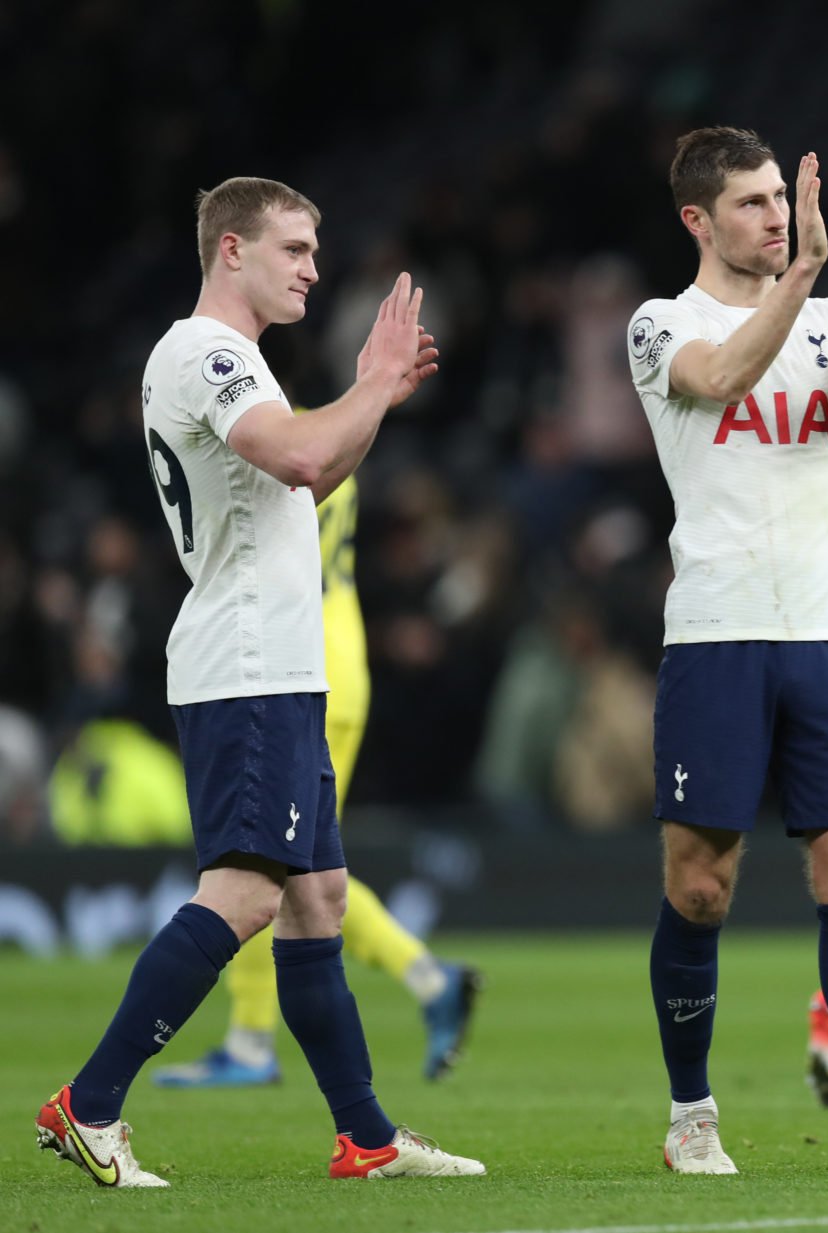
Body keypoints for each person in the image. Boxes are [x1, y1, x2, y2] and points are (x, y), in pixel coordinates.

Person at [35, 177, 482, 1186]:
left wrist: (378, 394)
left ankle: (366, 1137)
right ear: (230, 250)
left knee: (317, 897)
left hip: (275, 662)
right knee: (243, 893)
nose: (313, 269)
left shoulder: (227, 361)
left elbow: (318, 472)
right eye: (294, 249)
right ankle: (89, 1104)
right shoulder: (209, 353)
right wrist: (369, 383)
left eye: (317, 251)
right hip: (247, 663)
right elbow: (295, 456)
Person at [626, 127, 828, 1175]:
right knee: (699, 888)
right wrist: (810, 266)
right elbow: (722, 376)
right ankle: (691, 1118)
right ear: (698, 220)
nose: (777, 217)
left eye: (782, 199)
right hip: (719, 633)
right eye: (754, 204)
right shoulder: (658, 324)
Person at [153, 467, 482, 1090]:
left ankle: (252, 1043)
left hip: (297, 662)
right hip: (343, 655)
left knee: (260, 858)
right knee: (303, 866)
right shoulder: (330, 439)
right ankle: (429, 980)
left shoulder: (273, 438)